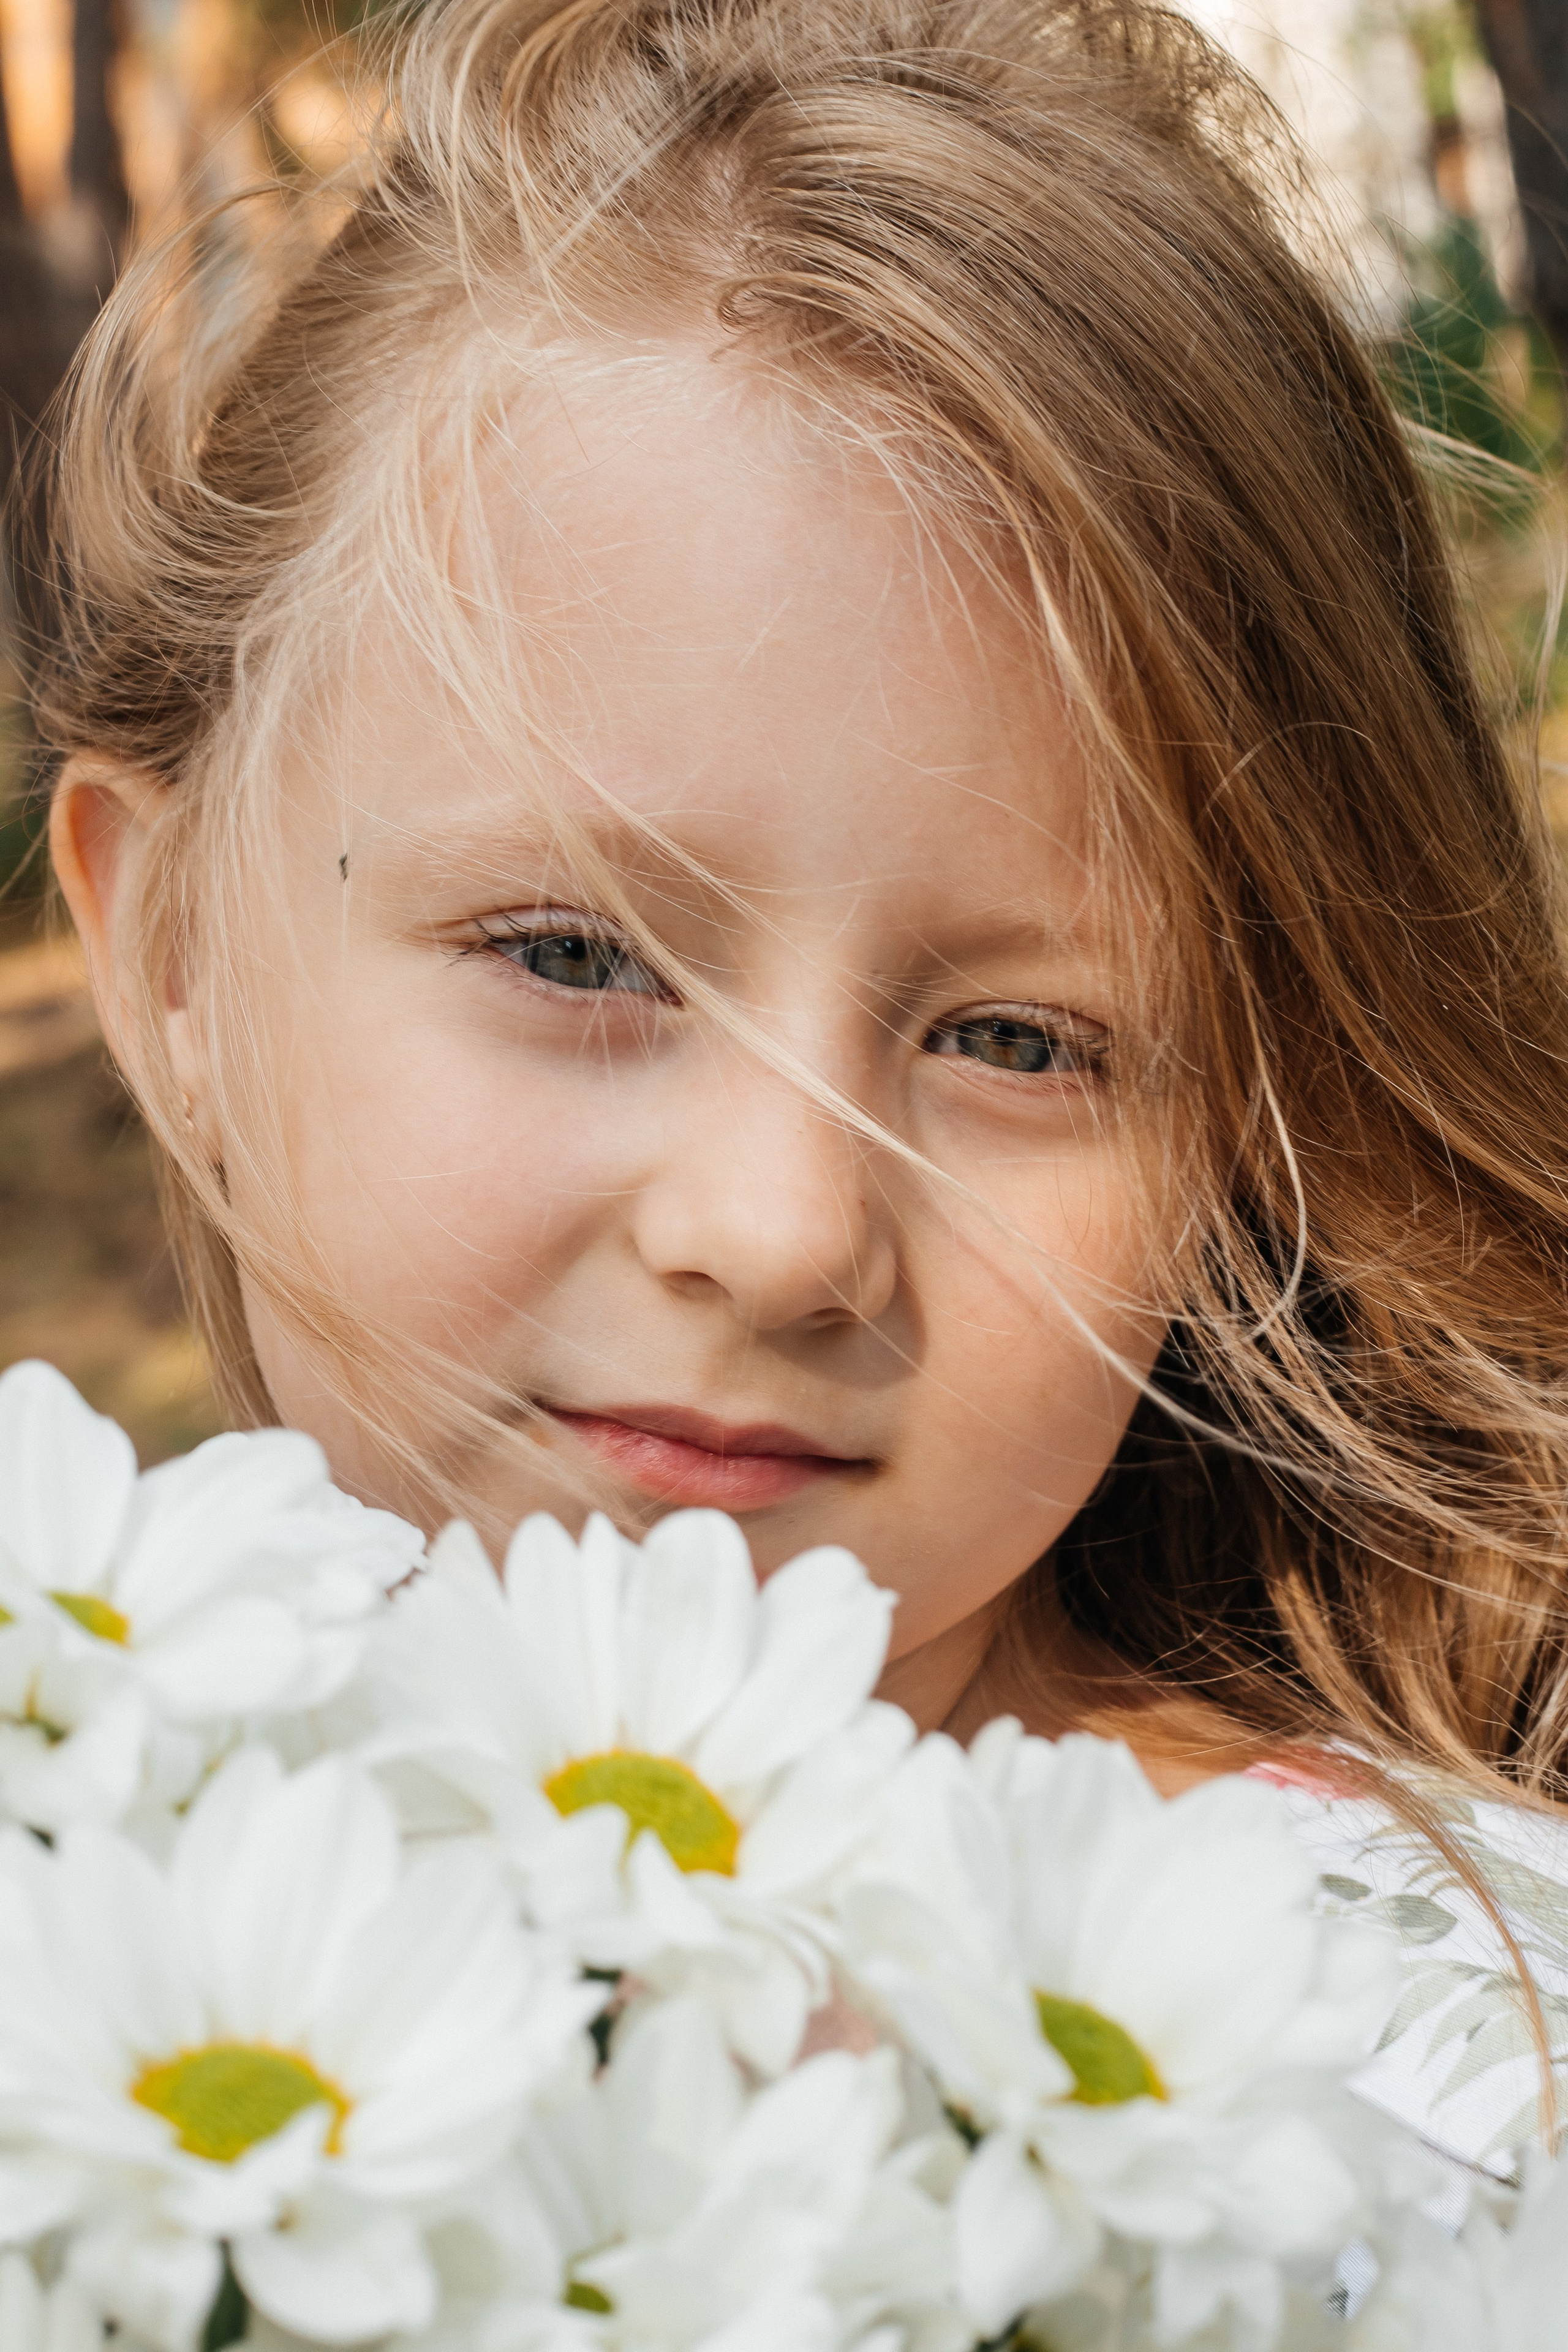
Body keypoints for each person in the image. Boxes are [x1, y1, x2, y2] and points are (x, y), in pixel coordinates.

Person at [30, 0, 1568, 2176]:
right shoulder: (69, 1898)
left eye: (1020, 1041)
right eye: (575, 957)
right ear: (174, 958)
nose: (774, 1234)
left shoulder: (1436, 2111)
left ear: (1256, 1112)